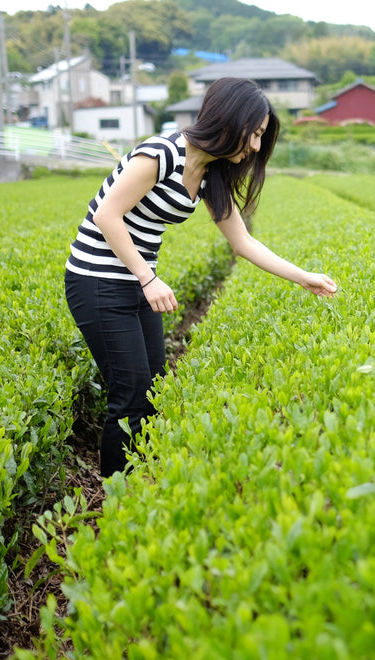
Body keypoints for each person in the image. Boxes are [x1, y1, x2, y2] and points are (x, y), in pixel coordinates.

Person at [64, 77, 337, 478]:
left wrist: (303, 277)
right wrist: (147, 277)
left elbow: (243, 242)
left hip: (137, 282)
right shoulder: (162, 153)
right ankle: (113, 496)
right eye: (255, 134)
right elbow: (107, 214)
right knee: (130, 394)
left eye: (262, 136)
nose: (257, 147)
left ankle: (140, 479)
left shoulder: (212, 174)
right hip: (97, 281)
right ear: (230, 119)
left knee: (154, 388)